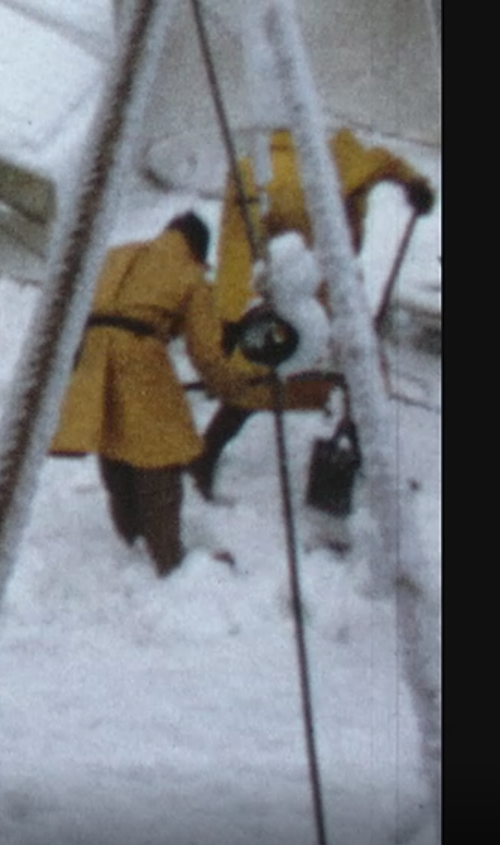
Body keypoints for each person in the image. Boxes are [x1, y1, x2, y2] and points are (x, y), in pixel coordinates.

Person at [195, 127, 437, 498]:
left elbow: (236, 251)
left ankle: (207, 454)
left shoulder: (253, 172)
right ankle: (366, 462)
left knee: (261, 372)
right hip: (327, 293)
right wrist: (414, 184)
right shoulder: (341, 158)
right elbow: (385, 163)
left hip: (288, 295)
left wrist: (230, 315)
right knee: (361, 374)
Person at [49, 213, 274, 576]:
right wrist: (234, 386)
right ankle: (170, 561)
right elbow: (204, 353)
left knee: (114, 438)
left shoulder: (117, 254)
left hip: (91, 350)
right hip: (137, 354)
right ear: (198, 252)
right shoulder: (191, 274)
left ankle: (131, 532)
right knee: (160, 454)